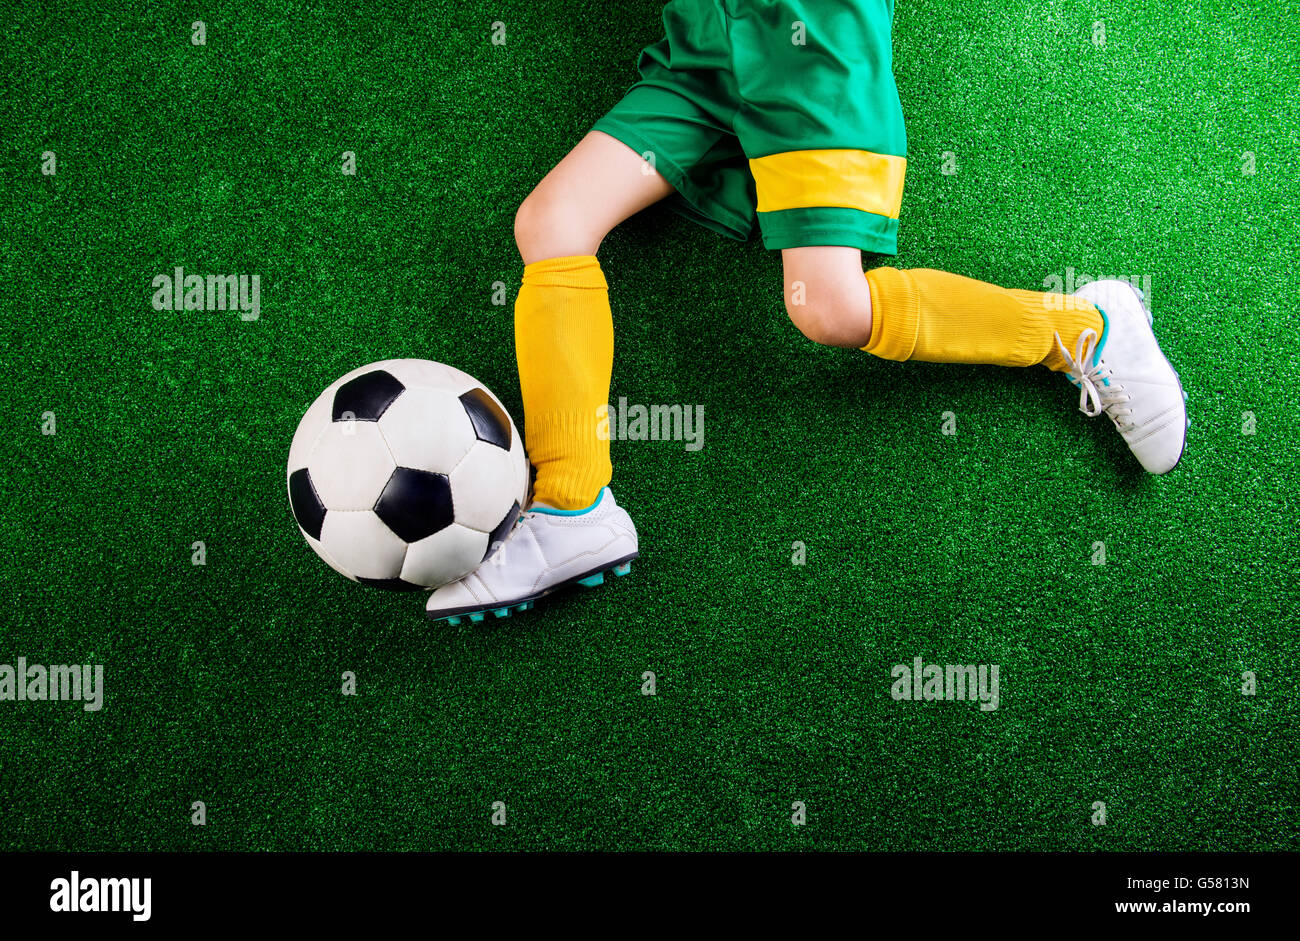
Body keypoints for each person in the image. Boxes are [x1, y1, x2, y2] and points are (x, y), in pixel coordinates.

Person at [426, 0, 1187, 624]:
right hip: (708, 41)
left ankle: (1081, 328)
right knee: (552, 222)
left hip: (811, 40)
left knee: (827, 307)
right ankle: (572, 500)